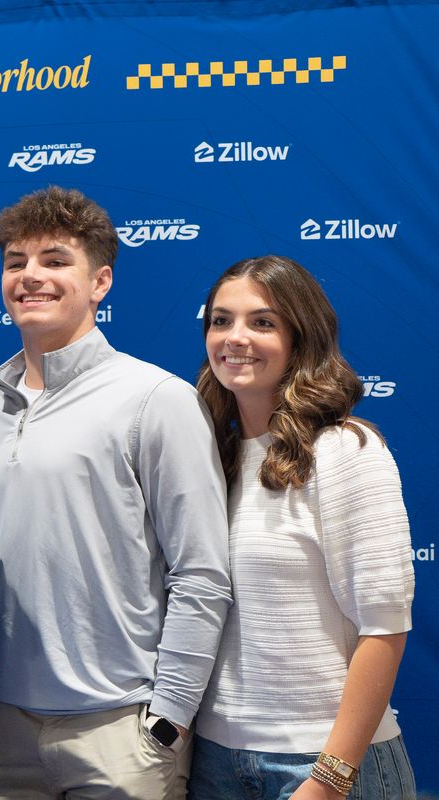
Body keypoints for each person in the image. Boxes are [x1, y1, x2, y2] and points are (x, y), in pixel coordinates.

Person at [0, 186, 232, 799]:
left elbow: (202, 573)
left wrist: (169, 718)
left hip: (123, 731)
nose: (31, 276)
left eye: (55, 260)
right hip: (3, 729)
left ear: (100, 282)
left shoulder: (154, 399)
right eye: (15, 262)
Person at [189, 255, 415, 799]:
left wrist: (329, 780)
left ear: (301, 338)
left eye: (262, 322)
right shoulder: (205, 457)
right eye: (221, 320)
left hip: (325, 763)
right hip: (214, 760)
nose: (235, 337)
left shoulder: (345, 450)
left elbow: (385, 628)